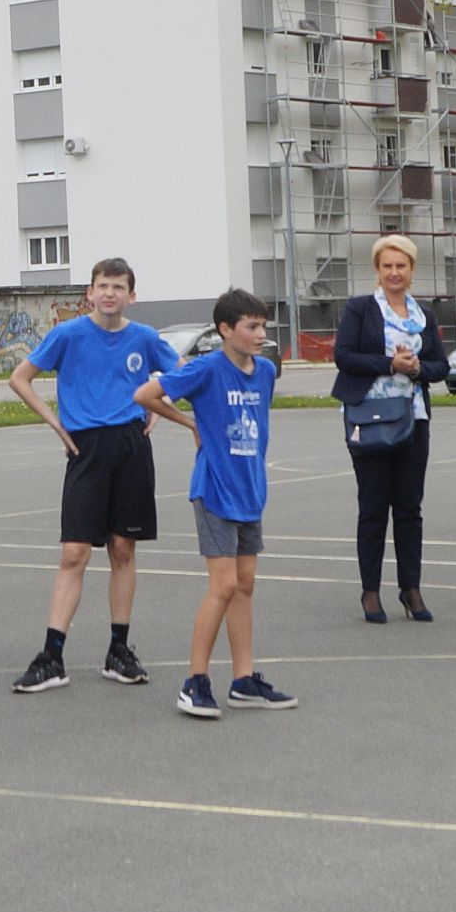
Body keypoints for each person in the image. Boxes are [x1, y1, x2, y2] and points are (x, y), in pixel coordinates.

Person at [5, 258, 184, 694]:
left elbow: (181, 373)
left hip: (130, 446)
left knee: (123, 548)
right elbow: (20, 378)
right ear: (89, 293)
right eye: (103, 285)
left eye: (118, 286)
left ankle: (119, 649)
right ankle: (52, 656)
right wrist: (56, 423)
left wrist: (159, 409)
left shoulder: (144, 337)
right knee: (74, 552)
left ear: (131, 295)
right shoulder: (68, 334)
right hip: (85, 447)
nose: (109, 293)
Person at [140, 291, 295, 718]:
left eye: (263, 326)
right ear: (226, 330)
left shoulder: (265, 372)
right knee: (223, 585)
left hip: (250, 489)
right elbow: (146, 394)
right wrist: (191, 422)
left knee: (245, 584)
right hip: (214, 488)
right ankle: (195, 681)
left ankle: (243, 680)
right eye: (251, 326)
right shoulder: (206, 368)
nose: (261, 334)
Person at [331, 233, 447, 625]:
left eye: (401, 266)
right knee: (373, 506)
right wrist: (389, 364)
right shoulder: (360, 308)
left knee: (410, 508)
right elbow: (344, 356)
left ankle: (411, 588)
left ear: (412, 270)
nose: (394, 272)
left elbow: (441, 366)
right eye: (387, 266)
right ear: (377, 271)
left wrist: (416, 368)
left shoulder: (424, 314)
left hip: (413, 419)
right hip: (369, 418)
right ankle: (370, 591)